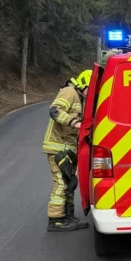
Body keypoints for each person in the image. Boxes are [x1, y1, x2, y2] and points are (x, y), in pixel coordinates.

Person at [42, 70, 91, 232]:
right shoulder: (69, 92)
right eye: (89, 89)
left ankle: (68, 216)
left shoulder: (80, 99)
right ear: (83, 84)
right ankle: (56, 219)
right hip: (58, 147)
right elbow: (55, 111)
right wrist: (76, 123)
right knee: (62, 183)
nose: (90, 93)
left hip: (68, 149)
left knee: (70, 183)